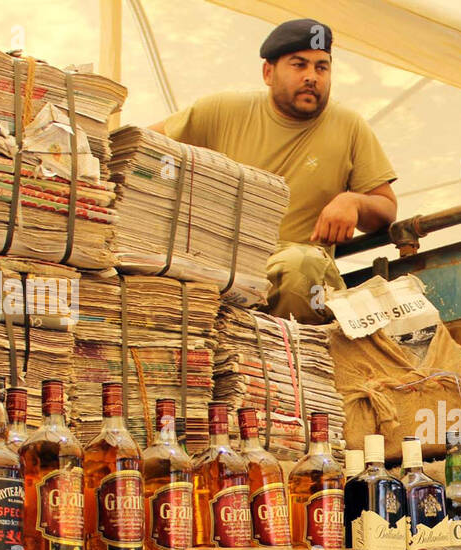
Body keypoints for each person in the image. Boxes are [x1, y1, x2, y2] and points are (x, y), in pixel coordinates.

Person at [153, 18, 397, 323]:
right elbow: (140, 146)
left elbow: (386, 207)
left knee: (300, 265)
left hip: (296, 275)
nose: (312, 77)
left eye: (322, 68)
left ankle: (293, 361)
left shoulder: (350, 127)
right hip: (218, 264)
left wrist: (354, 202)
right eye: (299, 65)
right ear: (269, 73)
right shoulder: (221, 111)